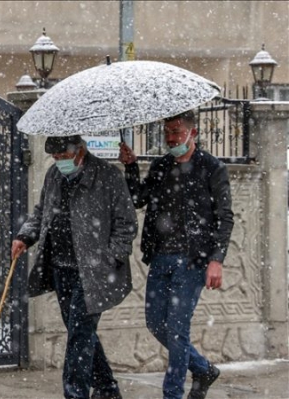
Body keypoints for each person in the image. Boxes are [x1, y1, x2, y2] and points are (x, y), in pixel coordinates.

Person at [118, 110, 234, 399]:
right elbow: (138, 199)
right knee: (156, 323)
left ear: (192, 133)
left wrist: (216, 259)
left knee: (177, 329)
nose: (171, 138)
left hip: (193, 260)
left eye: (177, 132)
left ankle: (172, 395)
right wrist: (131, 167)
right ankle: (203, 368)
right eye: (167, 132)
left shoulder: (212, 167)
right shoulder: (161, 166)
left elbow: (225, 217)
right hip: (160, 258)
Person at [12, 135, 137, 399]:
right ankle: (107, 388)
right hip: (61, 267)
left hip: (94, 271)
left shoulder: (107, 176)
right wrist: (24, 236)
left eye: (64, 158)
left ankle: (75, 394)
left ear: (80, 151)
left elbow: (126, 223)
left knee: (79, 335)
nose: (59, 163)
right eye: (55, 159)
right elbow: (40, 212)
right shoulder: (53, 176)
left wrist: (110, 258)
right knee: (80, 331)